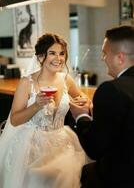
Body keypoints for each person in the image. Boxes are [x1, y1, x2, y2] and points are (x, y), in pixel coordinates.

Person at [0, 33, 89, 188]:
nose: (59, 58)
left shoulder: (66, 79)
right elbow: (14, 120)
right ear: (41, 56)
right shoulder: (27, 83)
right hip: (32, 146)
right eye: (52, 53)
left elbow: (83, 99)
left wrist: (85, 102)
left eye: (62, 53)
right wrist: (36, 105)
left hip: (62, 144)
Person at [69, 25, 134, 188]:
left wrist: (81, 116)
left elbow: (95, 148)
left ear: (120, 58)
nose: (102, 58)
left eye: (105, 53)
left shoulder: (111, 90)